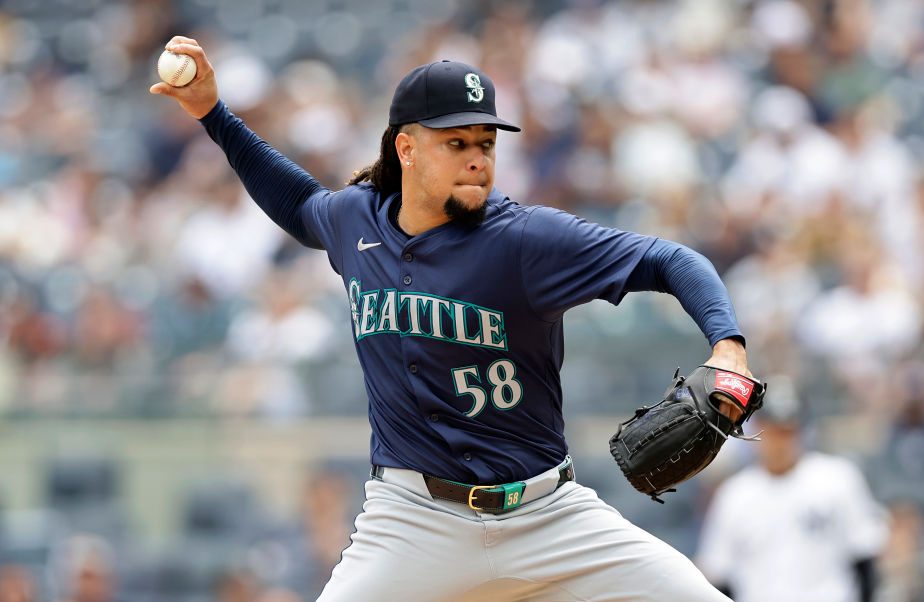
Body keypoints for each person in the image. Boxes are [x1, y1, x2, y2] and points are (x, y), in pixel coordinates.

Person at [152, 35, 756, 602]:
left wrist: (727, 346)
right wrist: (212, 113)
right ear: (406, 149)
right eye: (456, 143)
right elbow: (297, 202)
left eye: (485, 144)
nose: (476, 160)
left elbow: (672, 260)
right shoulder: (357, 220)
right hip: (412, 522)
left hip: (547, 516)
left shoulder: (526, 240)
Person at [696, 376, 889, 602]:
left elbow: (865, 559)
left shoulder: (838, 479)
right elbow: (720, 576)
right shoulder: (734, 495)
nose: (780, 441)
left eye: (788, 431)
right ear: (756, 428)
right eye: (772, 430)